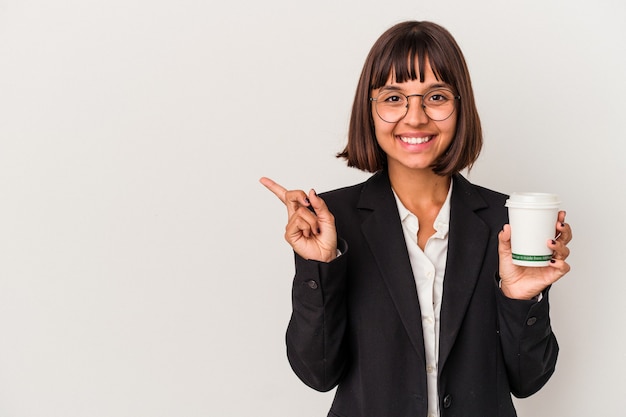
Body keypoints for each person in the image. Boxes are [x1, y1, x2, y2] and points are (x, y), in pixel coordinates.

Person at [260, 20, 572, 417]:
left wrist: (522, 297)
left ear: (460, 106)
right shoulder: (331, 221)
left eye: (436, 96)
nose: (415, 117)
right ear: (369, 109)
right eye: (394, 98)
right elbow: (317, 372)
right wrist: (318, 267)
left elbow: (528, 381)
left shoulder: (506, 222)